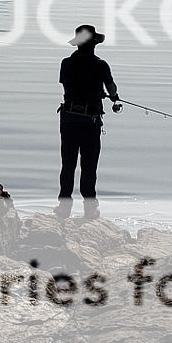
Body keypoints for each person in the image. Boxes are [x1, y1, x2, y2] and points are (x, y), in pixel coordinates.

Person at [58, 24, 121, 208]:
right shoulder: (101, 65)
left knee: (68, 165)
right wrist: (110, 95)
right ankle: (90, 208)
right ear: (94, 44)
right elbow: (112, 89)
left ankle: (63, 207)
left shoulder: (66, 63)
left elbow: (68, 87)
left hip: (69, 121)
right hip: (90, 123)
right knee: (89, 166)